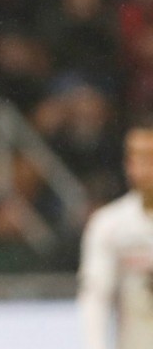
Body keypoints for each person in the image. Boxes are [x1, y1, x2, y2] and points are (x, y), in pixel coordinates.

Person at [79, 120, 153, 349]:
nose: (142, 168)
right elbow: (95, 297)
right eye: (135, 158)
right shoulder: (108, 225)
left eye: (149, 158)